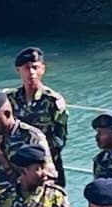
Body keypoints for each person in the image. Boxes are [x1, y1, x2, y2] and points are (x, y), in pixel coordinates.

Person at [9, 47, 69, 187]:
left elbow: (59, 139)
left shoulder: (53, 101)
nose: (31, 72)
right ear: (18, 70)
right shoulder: (10, 99)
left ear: (42, 69)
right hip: (18, 165)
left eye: (35, 67)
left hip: (45, 165)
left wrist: (39, 162)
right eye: (26, 68)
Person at [0, 91, 53, 191]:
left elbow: (48, 177)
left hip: (23, 198)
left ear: (7, 114)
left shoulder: (31, 136)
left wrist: (4, 161)